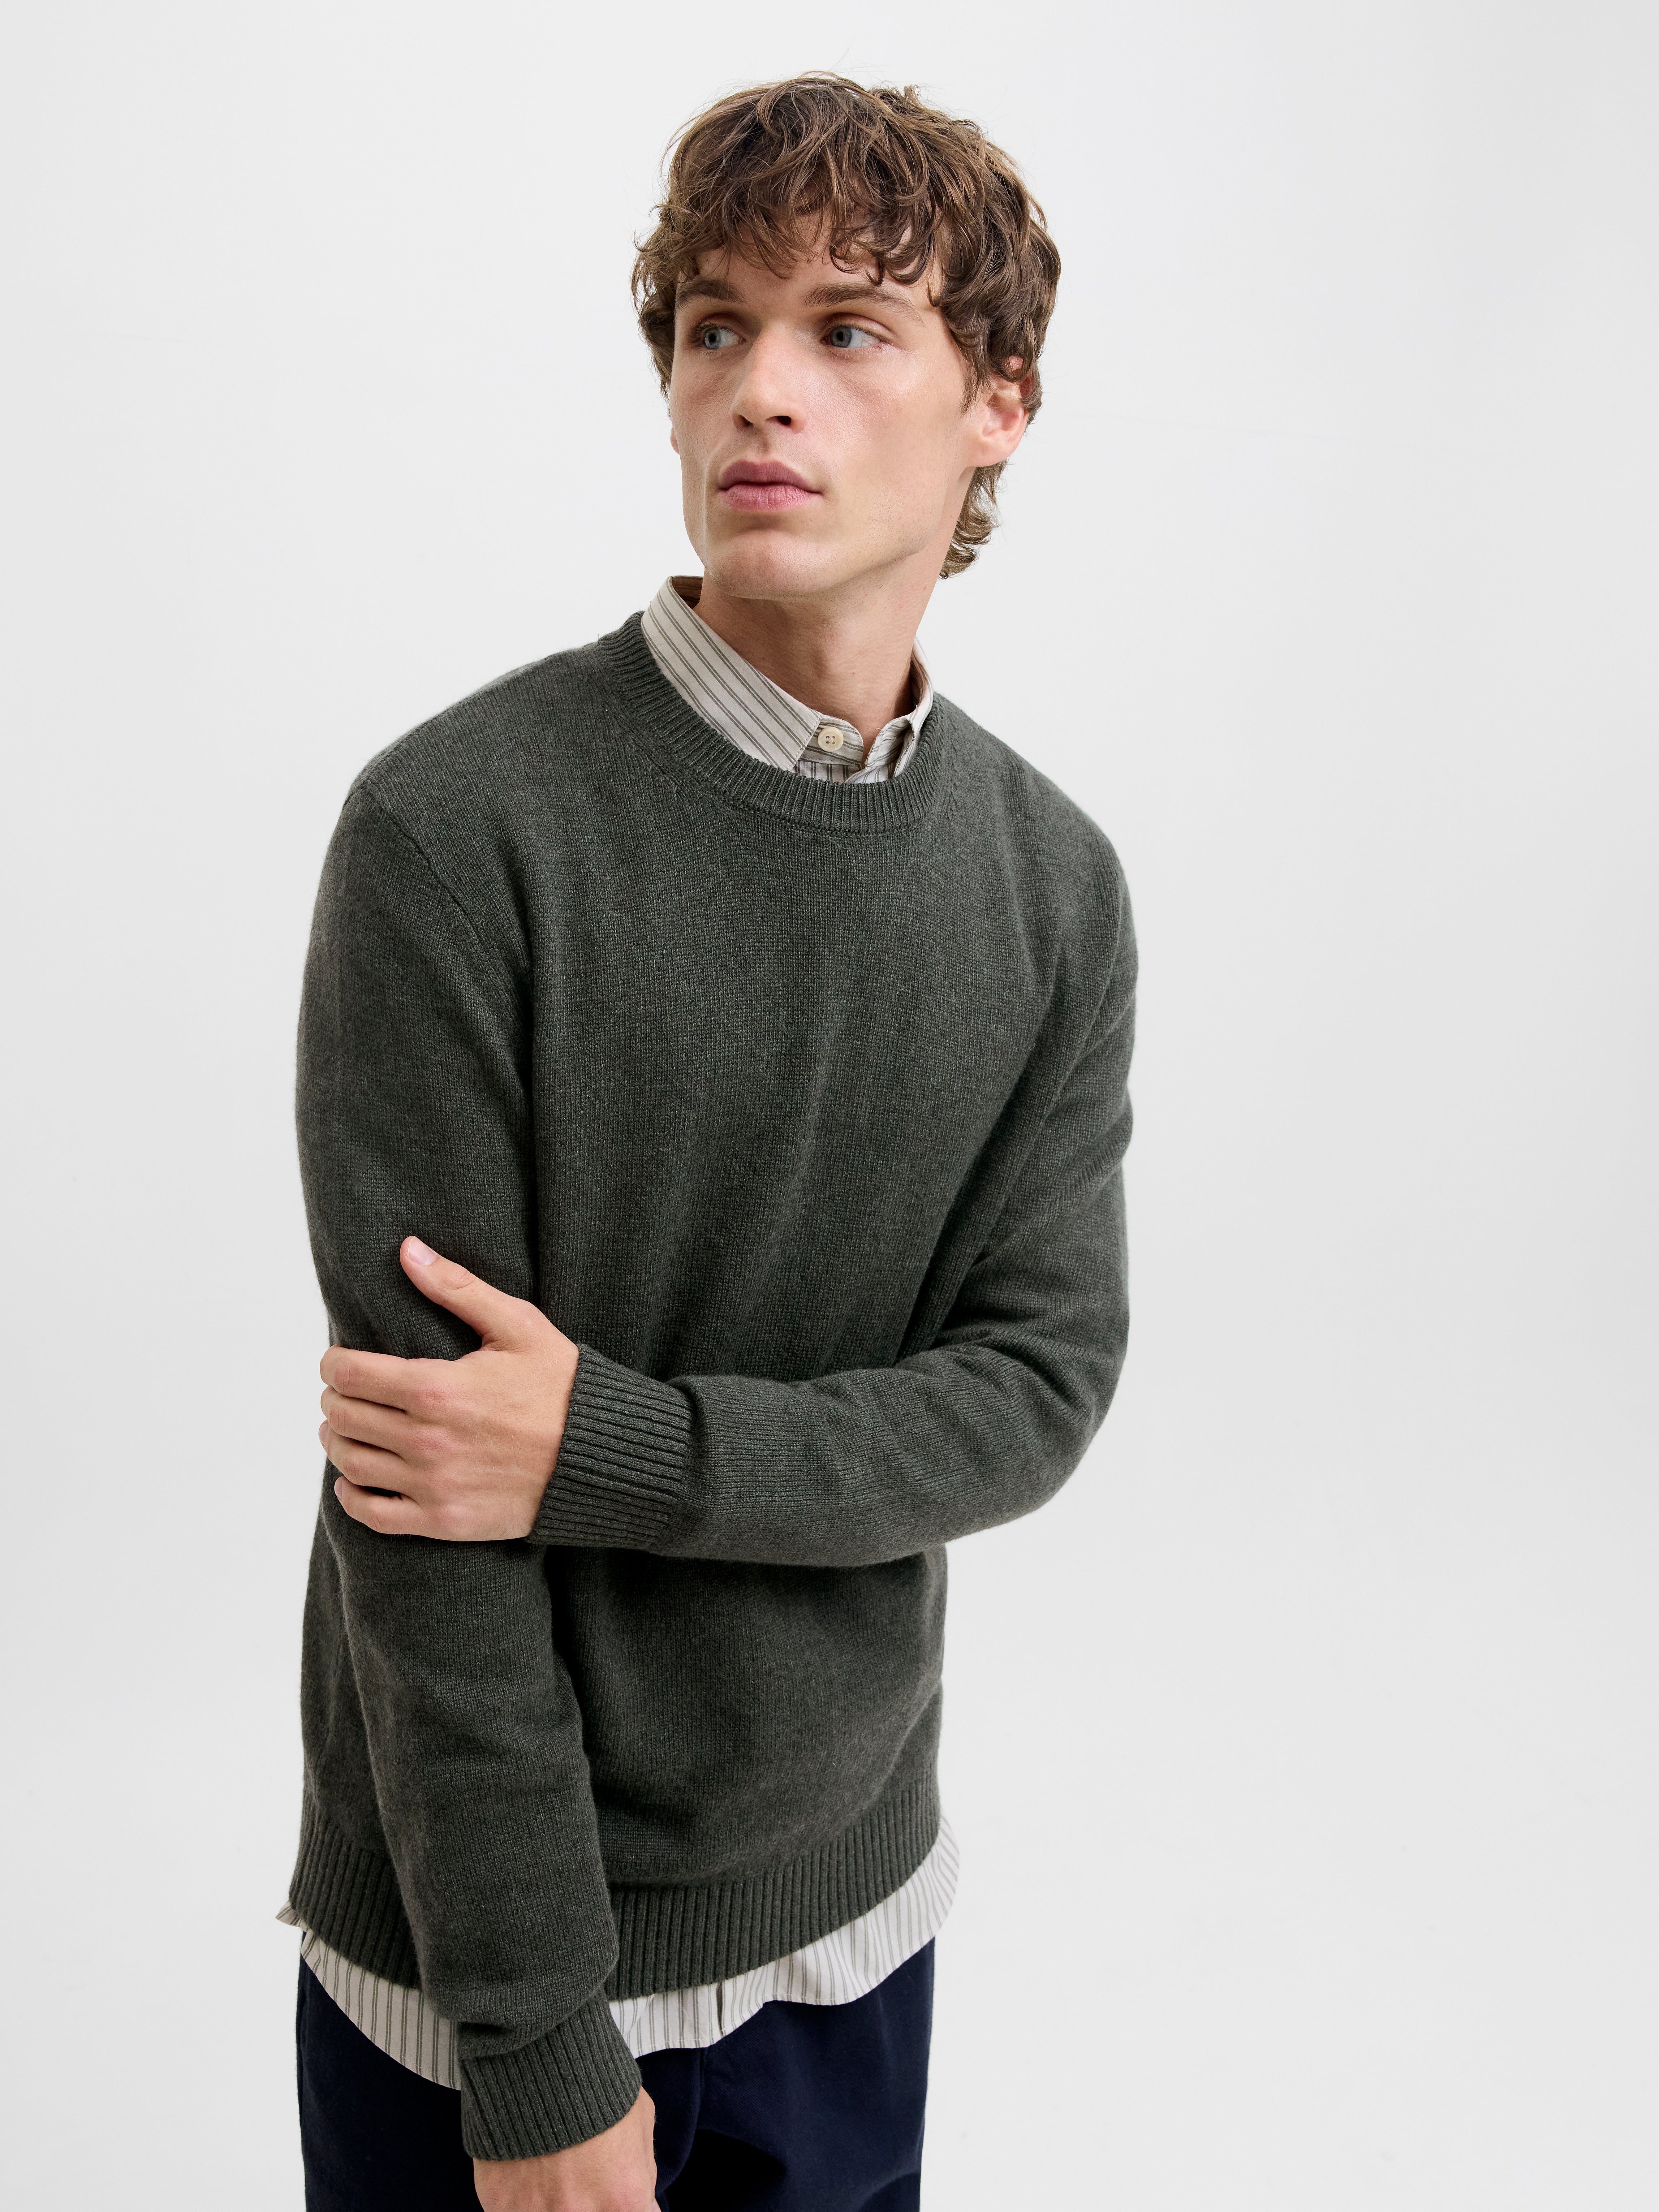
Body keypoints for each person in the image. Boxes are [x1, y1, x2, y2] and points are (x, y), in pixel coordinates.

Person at [286, 72, 1136, 2212]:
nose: (761, 388)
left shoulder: (1053, 890)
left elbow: (1033, 1393)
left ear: (999, 405)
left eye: (850, 328)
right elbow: (420, 1504)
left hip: (855, 1920)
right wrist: (537, 2050)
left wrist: (610, 1448)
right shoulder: (455, 834)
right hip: (498, 1980)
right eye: (712, 327)